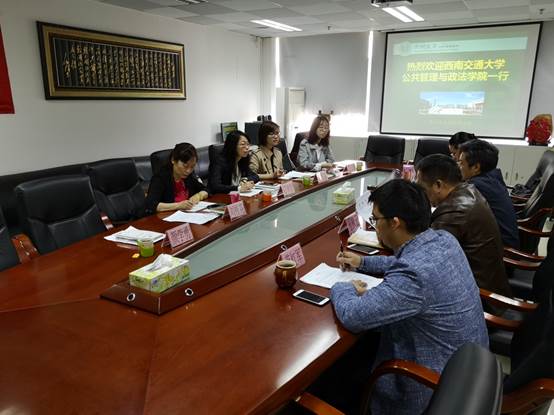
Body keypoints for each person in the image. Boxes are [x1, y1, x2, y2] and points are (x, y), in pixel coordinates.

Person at [333, 179, 488, 415]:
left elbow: (353, 316)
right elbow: (404, 261)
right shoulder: (443, 239)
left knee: (339, 375)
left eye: (375, 219)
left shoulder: (414, 275)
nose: (375, 226)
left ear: (395, 223)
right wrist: (363, 262)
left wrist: (343, 287)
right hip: (466, 370)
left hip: (429, 386)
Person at [416, 154, 512, 298]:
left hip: (479, 297)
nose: (422, 195)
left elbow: (424, 259)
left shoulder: (455, 212)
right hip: (484, 284)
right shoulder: (468, 190)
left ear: (438, 185)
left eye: (422, 189)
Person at [458, 139, 520, 249]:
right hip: (505, 241)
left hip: (500, 250)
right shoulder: (493, 177)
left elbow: (457, 215)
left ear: (476, 167)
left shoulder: (476, 187)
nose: (458, 166)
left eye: (461, 163)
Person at [145, 142, 208, 214]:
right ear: (173, 160)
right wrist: (178, 205)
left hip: (188, 215)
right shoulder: (160, 178)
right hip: (167, 217)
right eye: (185, 166)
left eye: (192, 167)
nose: (188, 171)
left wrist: (198, 196)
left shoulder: (188, 176)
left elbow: (206, 189)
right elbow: (151, 205)